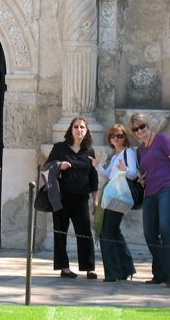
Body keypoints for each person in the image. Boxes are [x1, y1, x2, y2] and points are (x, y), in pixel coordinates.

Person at [129, 113, 170, 288]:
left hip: (169, 187)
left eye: (142, 126)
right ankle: (160, 273)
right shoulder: (140, 151)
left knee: (165, 227)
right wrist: (141, 180)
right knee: (150, 233)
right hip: (150, 191)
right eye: (136, 129)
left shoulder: (162, 139)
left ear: (147, 125)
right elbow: (143, 172)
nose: (140, 131)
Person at [44, 116, 98, 279]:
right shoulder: (60, 148)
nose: (79, 130)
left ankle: (89, 268)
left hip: (81, 198)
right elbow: (46, 167)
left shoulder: (89, 151)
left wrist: (95, 199)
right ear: (71, 130)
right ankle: (64, 267)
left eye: (82, 127)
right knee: (60, 232)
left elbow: (93, 176)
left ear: (86, 130)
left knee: (85, 232)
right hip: (61, 197)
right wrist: (60, 165)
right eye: (76, 127)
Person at [89, 124, 137, 282]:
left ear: (125, 138)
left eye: (119, 136)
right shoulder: (115, 156)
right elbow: (108, 175)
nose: (116, 139)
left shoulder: (128, 152)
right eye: (113, 136)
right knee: (113, 231)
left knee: (107, 232)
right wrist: (97, 166)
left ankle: (112, 273)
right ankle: (125, 269)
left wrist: (124, 169)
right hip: (113, 196)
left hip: (119, 195)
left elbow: (133, 174)